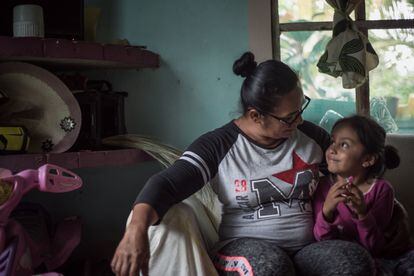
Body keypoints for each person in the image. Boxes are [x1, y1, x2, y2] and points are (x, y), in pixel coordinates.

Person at [111, 52, 375, 276]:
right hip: (241, 246)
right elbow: (166, 184)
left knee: (353, 262)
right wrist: (136, 230)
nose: (298, 122)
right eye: (288, 117)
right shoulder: (219, 144)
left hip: (307, 246)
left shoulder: (311, 137)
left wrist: (386, 211)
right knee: (271, 267)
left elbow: (357, 173)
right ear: (255, 116)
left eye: (300, 109)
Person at [313, 115, 414, 275]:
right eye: (333, 141)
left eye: (344, 144)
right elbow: (322, 242)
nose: (332, 149)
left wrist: (362, 213)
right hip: (342, 258)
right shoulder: (322, 186)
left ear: (367, 159)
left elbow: (376, 247)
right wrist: (327, 212)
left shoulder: (382, 190)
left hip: (379, 258)